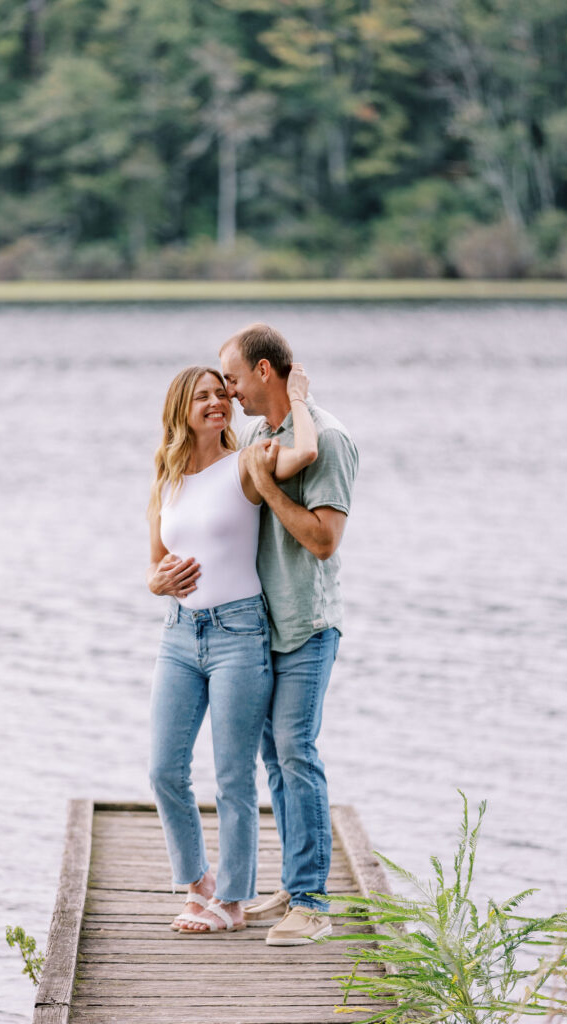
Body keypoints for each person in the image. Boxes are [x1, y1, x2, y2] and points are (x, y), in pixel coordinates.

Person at [146, 363, 318, 934]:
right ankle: (199, 883)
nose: (218, 403)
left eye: (223, 394)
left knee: (233, 776)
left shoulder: (246, 461)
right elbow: (153, 564)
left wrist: (299, 402)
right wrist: (157, 583)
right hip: (178, 633)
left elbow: (305, 455)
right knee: (164, 769)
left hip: (239, 634)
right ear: (181, 408)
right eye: (204, 396)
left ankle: (235, 901)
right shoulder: (165, 474)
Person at [220, 323, 358, 946]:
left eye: (234, 377)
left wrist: (271, 487)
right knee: (273, 758)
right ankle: (295, 882)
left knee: (295, 751)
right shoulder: (256, 431)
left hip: (306, 624)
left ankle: (313, 903)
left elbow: (324, 541)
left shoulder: (328, 438)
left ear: (266, 372)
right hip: (259, 624)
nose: (230, 390)